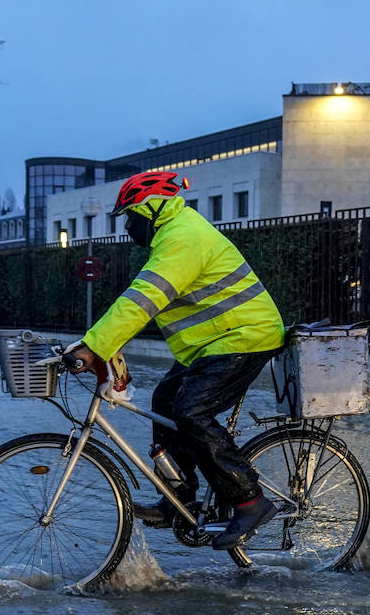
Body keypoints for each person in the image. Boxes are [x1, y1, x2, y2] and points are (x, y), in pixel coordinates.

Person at [66, 171, 285, 549]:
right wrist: (98, 344)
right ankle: (178, 498)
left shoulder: (183, 238)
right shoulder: (172, 237)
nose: (130, 226)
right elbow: (141, 301)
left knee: (191, 412)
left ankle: (250, 501)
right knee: (164, 403)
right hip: (213, 343)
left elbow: (142, 300)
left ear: (152, 209)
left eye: (131, 216)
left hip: (244, 338)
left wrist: (94, 346)